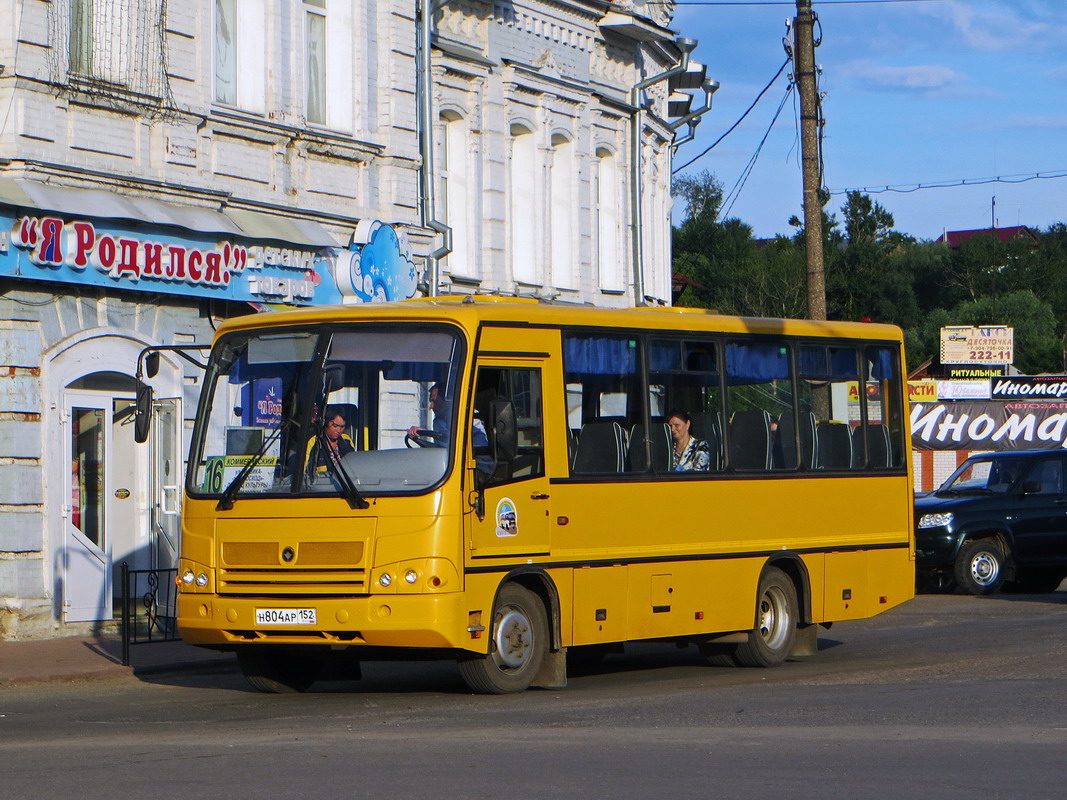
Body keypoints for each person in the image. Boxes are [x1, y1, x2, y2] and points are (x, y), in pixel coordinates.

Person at [307, 405, 355, 477]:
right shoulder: (313, 442)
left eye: (342, 427)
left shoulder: (347, 440)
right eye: (335, 426)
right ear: (326, 423)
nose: (339, 430)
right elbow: (302, 473)